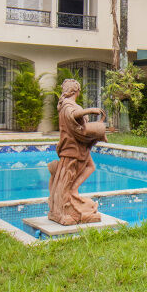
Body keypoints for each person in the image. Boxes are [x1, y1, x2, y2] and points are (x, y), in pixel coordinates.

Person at [47, 78, 106, 225]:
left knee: (90, 167)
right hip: (72, 147)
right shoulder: (67, 105)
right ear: (75, 91)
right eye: (78, 90)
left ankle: (73, 191)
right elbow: (73, 115)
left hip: (77, 145)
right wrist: (90, 110)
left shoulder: (67, 105)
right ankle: (68, 201)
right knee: (69, 176)